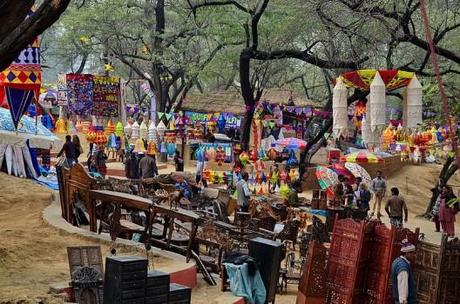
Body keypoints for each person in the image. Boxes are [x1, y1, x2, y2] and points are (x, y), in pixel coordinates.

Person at [391, 239, 417, 304]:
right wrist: (403, 301)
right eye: (412, 253)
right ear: (407, 253)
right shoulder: (403, 269)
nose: (414, 255)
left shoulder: (397, 261)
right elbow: (403, 289)